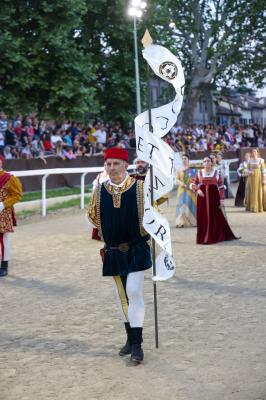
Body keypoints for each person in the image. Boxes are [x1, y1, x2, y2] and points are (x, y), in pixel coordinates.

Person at [87, 148, 151, 363]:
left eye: (116, 163)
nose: (112, 167)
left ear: (125, 165)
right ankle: (129, 339)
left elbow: (154, 211)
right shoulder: (100, 190)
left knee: (133, 292)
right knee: (121, 296)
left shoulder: (141, 187)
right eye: (108, 164)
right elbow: (93, 216)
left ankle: (138, 345)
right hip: (113, 250)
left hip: (136, 248)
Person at [191, 156, 238, 244]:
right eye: (204, 161)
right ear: (203, 163)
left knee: (215, 216)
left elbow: (221, 186)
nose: (206, 163)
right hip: (202, 198)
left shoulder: (216, 173)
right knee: (203, 216)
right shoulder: (199, 173)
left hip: (214, 198)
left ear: (211, 162)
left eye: (208, 161)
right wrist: (198, 190)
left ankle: (213, 235)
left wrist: (222, 199)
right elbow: (194, 184)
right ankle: (204, 236)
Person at [0, 158, 23, 276]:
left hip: (3, 213)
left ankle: (4, 266)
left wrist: (3, 204)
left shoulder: (9, 178)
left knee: (3, 238)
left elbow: (17, 195)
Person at [175, 154, 197, 228]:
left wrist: (191, 184)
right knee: (181, 205)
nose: (184, 160)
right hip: (181, 190)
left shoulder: (192, 169)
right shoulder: (179, 169)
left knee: (191, 204)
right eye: (183, 158)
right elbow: (177, 179)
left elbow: (195, 179)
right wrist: (182, 184)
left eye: (185, 158)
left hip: (190, 190)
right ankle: (180, 222)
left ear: (188, 160)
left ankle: (193, 221)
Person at [245, 148, 266, 212]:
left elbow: (263, 171)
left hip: (259, 178)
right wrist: (249, 172)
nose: (254, 153)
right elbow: (246, 169)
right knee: (252, 191)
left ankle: (259, 207)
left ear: (257, 153)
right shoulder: (249, 161)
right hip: (251, 178)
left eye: (255, 152)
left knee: (259, 191)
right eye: (253, 152)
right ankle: (252, 207)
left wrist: (264, 179)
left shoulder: (261, 160)